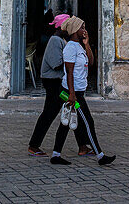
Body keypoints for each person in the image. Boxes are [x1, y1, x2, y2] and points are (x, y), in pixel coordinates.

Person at [50, 16, 115, 166]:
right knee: (87, 121)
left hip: (76, 92)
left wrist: (87, 45)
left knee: (65, 123)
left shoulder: (79, 46)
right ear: (74, 30)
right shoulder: (70, 48)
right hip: (70, 92)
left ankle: (55, 155)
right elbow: (69, 72)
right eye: (82, 28)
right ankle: (100, 155)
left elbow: (91, 62)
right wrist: (72, 95)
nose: (84, 30)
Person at [27, 13, 91, 157]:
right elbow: (56, 64)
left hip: (58, 81)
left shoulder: (62, 40)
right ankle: (34, 145)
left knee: (73, 111)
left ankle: (82, 146)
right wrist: (71, 61)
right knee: (50, 113)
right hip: (53, 83)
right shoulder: (55, 41)